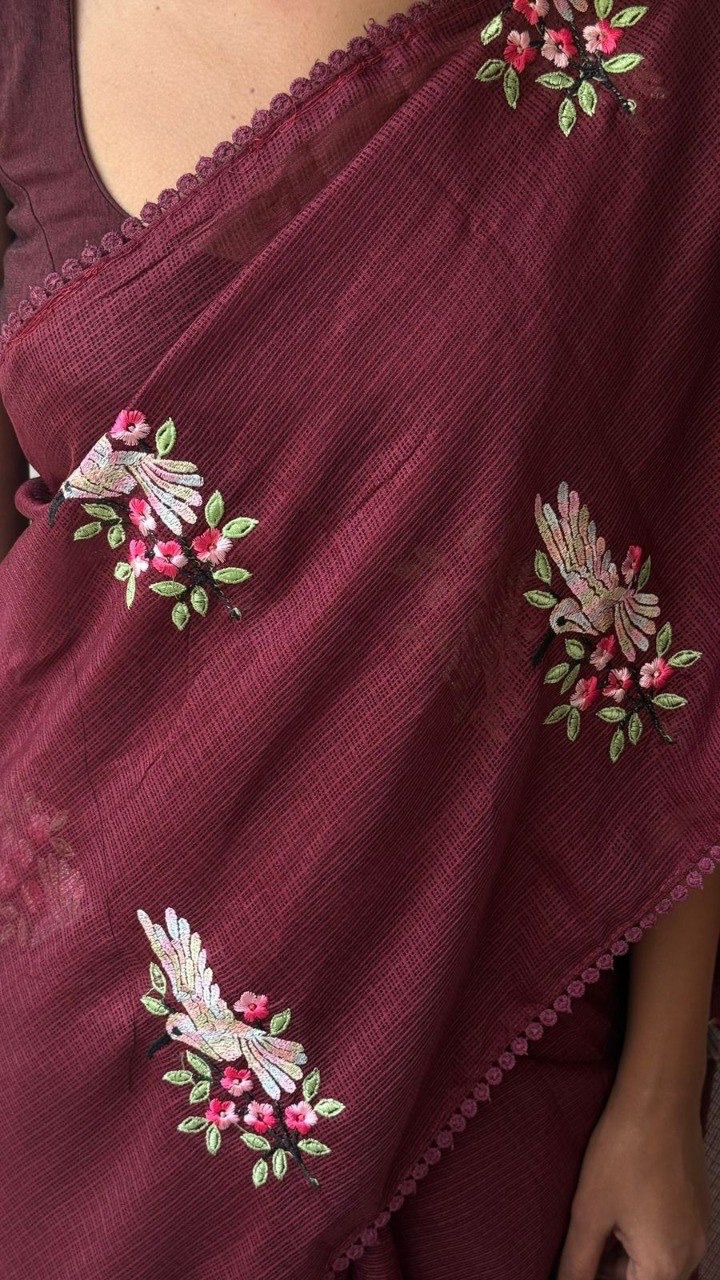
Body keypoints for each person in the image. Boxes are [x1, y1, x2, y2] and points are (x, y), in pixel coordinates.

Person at [0, 2, 718, 1278]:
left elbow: (691, 552)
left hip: (476, 1014)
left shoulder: (636, 41)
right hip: (65, 1045)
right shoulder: (30, 44)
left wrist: (661, 1094)